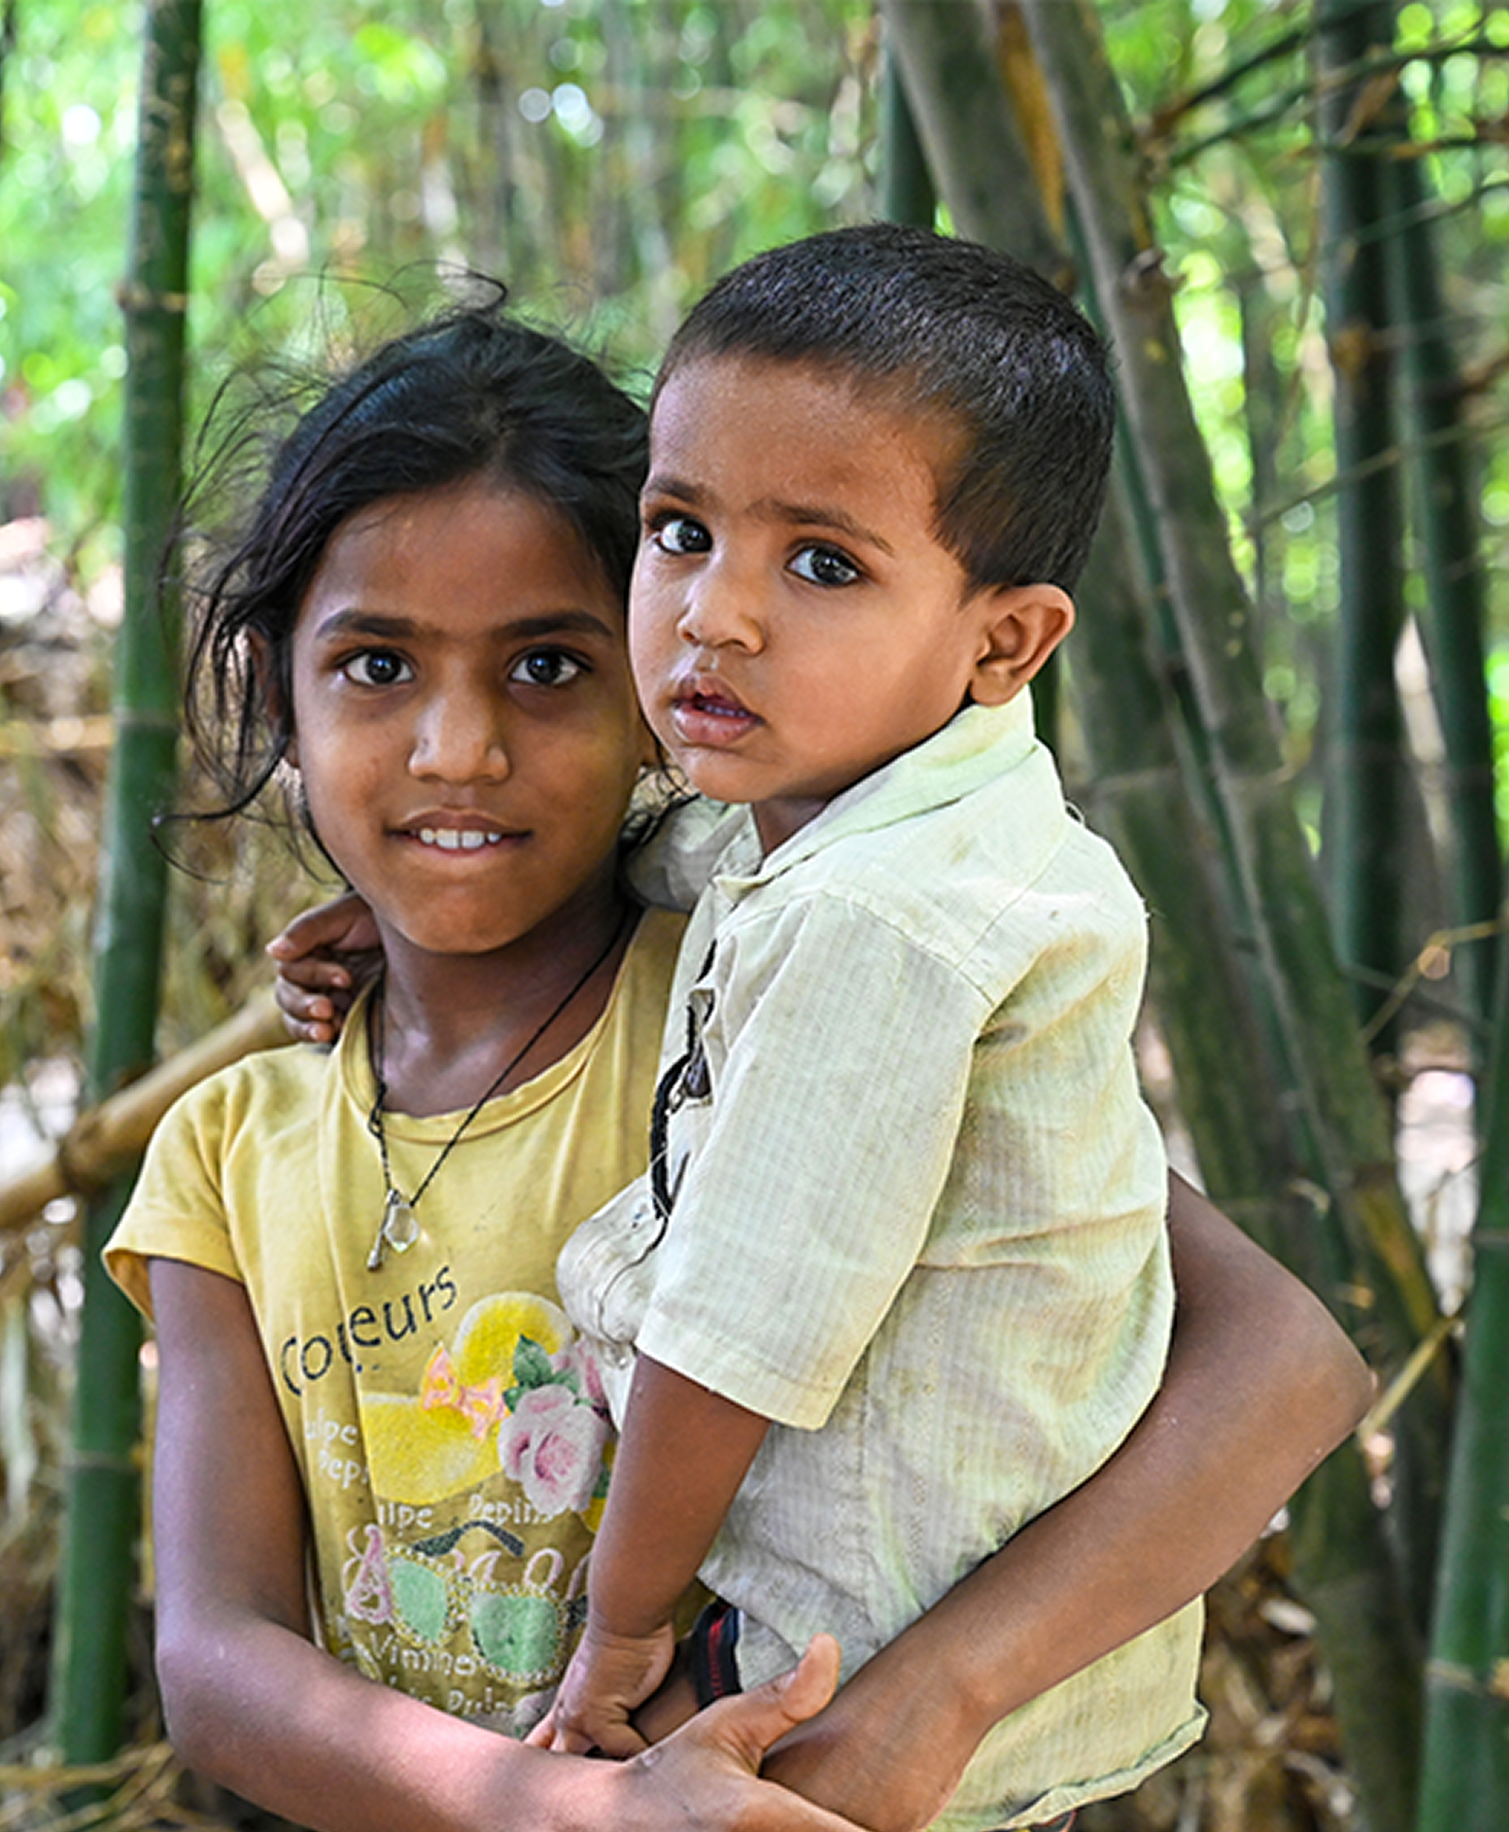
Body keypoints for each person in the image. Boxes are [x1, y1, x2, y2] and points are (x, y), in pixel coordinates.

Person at [111, 297, 1369, 1832]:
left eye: (547, 667)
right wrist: (584, 1816)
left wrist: (933, 1700)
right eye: (376, 666)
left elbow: (1285, 1365)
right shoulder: (227, 1150)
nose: (458, 751)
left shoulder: (782, 1002)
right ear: (277, 692)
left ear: (658, 700)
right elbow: (218, 1665)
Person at [520, 222, 1204, 1832]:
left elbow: (728, 1342)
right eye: (680, 530)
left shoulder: (878, 919)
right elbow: (680, 859)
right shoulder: (894, 813)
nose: (716, 614)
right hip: (991, 1670)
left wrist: (623, 1630)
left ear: (1003, 641)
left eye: (821, 564)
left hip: (845, 1675)